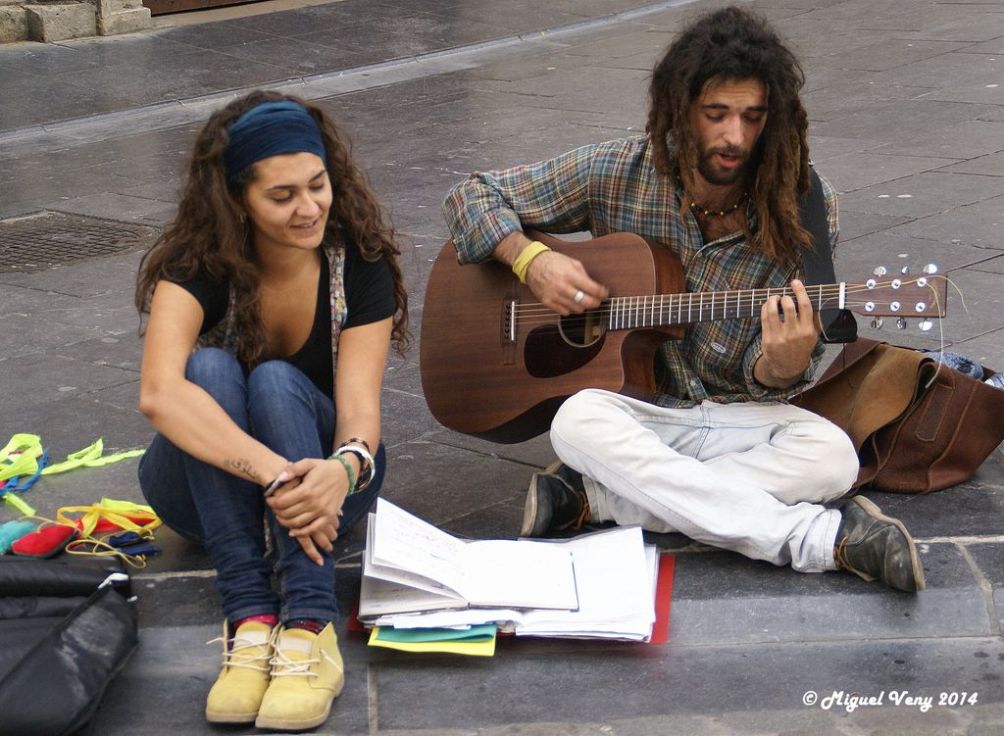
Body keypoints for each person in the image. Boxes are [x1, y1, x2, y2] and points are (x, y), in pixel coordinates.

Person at [442, 6, 924, 593]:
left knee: (833, 456)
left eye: (753, 117)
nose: (735, 137)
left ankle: (602, 497)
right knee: (576, 418)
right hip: (639, 414)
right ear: (680, 110)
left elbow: (772, 381)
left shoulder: (802, 209)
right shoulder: (618, 170)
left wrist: (782, 366)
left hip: (733, 416)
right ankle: (818, 540)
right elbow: (471, 195)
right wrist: (531, 260)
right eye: (716, 115)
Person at [135, 90, 408, 730]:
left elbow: (361, 413)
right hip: (203, 489)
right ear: (237, 200)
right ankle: (250, 618)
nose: (308, 208)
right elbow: (158, 393)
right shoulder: (196, 263)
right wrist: (274, 474)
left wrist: (340, 470)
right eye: (281, 196)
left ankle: (310, 625)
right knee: (204, 370)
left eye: (317, 186)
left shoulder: (359, 262)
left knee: (279, 380)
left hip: (326, 491)